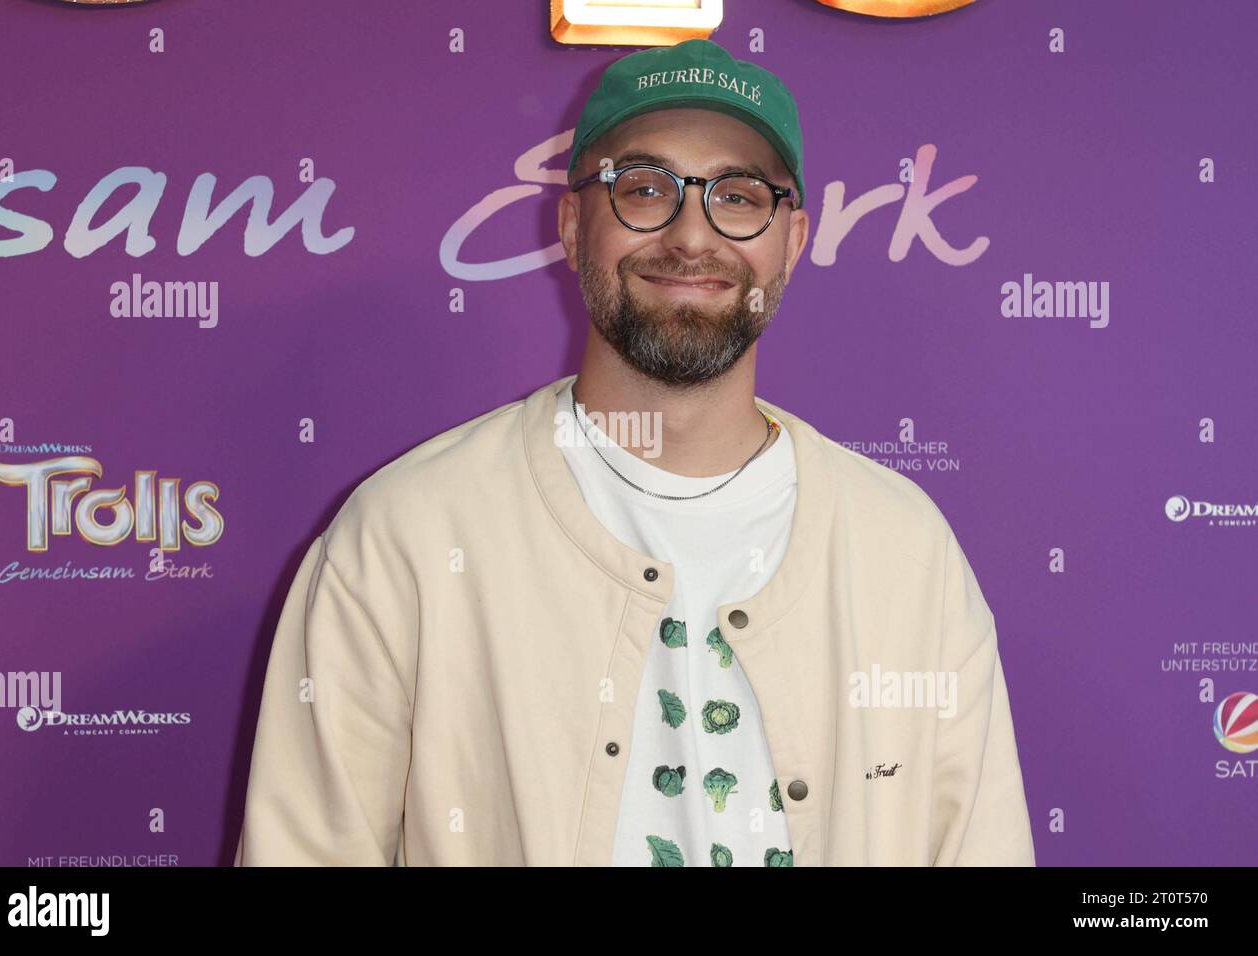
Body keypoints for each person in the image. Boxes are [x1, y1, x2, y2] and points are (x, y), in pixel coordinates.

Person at [234, 37, 1035, 867]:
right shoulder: (404, 536)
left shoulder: (905, 551)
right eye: (644, 189)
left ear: (793, 240)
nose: (692, 236)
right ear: (575, 222)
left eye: (738, 195)